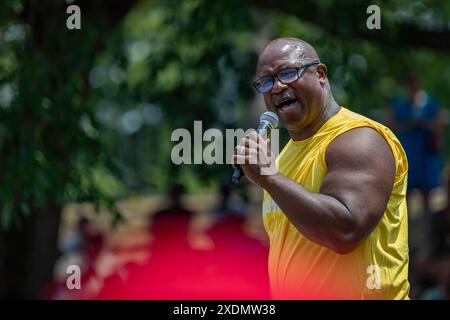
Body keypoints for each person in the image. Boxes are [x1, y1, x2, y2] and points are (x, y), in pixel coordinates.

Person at [233, 37, 409, 299]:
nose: (278, 87)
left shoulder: (359, 139)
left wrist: (269, 177)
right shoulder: (282, 159)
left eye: (288, 73)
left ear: (320, 74)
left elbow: (345, 231)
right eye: (266, 82)